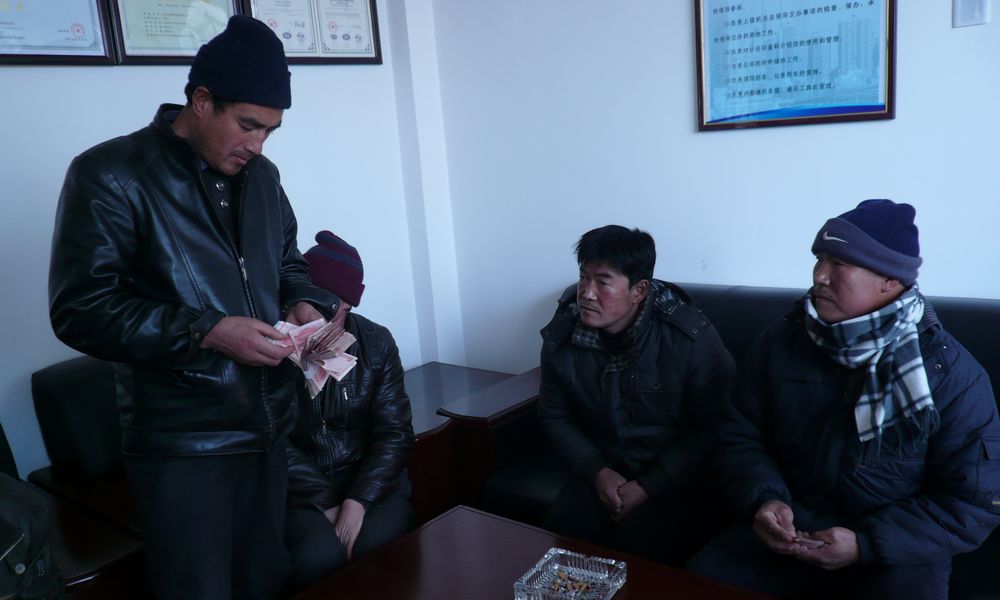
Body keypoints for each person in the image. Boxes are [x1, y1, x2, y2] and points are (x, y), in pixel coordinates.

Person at [48, 16, 341, 600]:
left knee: (265, 583)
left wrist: (304, 302)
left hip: (268, 431)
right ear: (201, 101)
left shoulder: (263, 178)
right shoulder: (111, 175)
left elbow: (287, 264)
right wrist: (208, 331)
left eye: (270, 131)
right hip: (184, 446)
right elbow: (80, 309)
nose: (257, 146)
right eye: (248, 126)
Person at [687, 200, 1000, 600]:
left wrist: (864, 544)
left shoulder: (951, 374)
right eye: (819, 260)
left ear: (890, 279)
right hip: (791, 531)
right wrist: (765, 499)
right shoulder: (782, 340)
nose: (819, 276)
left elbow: (973, 502)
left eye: (839, 264)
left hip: (895, 552)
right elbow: (738, 433)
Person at [538, 225, 736, 565]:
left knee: (641, 548)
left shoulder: (689, 338)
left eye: (602, 282)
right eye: (583, 278)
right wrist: (598, 471)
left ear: (639, 290)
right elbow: (555, 415)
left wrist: (649, 486)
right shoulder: (564, 331)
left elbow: (713, 428)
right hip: (602, 469)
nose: (587, 293)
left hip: (675, 479)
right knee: (562, 546)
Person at [283, 231, 416, 592]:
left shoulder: (376, 342)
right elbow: (273, 437)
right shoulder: (275, 344)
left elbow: (395, 432)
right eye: (319, 306)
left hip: (370, 480)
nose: (326, 319)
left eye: (339, 309)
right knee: (317, 558)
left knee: (377, 551)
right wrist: (324, 502)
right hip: (301, 490)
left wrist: (357, 502)